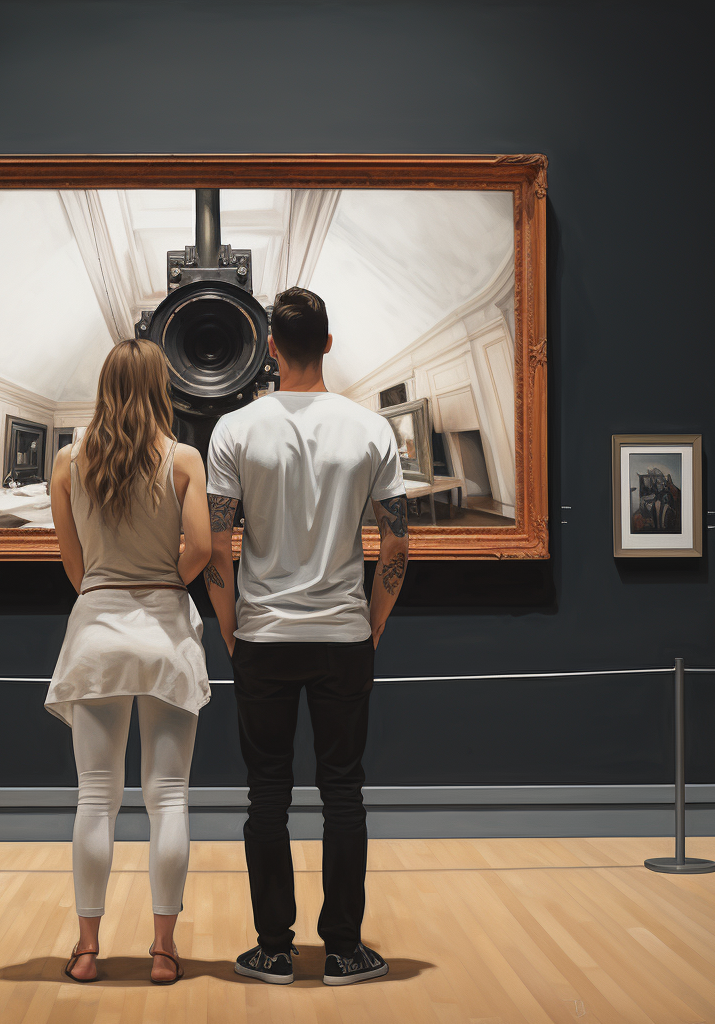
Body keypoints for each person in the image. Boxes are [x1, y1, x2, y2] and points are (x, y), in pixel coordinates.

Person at [203, 287, 409, 987]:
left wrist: (232, 632)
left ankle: (274, 950)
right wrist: (374, 619)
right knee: (343, 792)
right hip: (344, 636)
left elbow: (217, 547)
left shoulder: (233, 429)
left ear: (268, 348)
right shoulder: (372, 430)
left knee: (267, 795)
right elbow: (398, 545)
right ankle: (346, 951)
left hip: (262, 636)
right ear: (327, 342)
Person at [46, 339, 212, 985]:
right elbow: (199, 546)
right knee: (168, 798)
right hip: (165, 635)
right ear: (159, 385)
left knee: (95, 797)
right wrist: (164, 584)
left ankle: (87, 950)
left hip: (96, 633)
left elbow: (72, 561)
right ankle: (164, 951)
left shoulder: (68, 459)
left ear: (105, 383)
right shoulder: (183, 458)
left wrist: (107, 593)